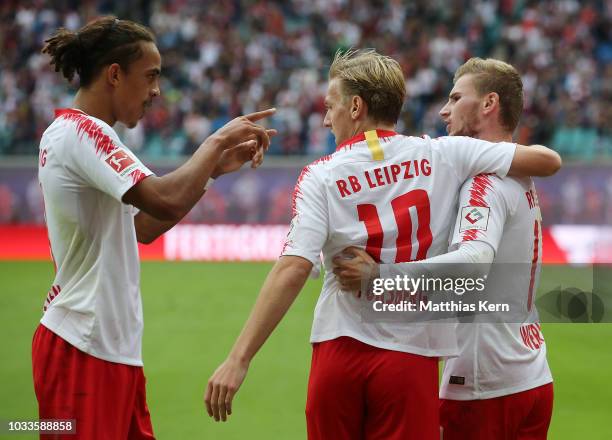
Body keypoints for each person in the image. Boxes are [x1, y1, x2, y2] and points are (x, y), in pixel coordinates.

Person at [205, 49, 560, 439]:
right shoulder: (444, 154)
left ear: (355, 106)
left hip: (339, 348)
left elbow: (294, 265)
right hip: (411, 356)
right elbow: (546, 161)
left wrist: (239, 358)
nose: (325, 119)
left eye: (330, 106)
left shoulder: (319, 175)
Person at [33, 16, 275, 440]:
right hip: (82, 349)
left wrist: (212, 171)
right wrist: (215, 143)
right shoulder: (84, 133)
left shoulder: (84, 134)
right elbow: (163, 197)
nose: (156, 91)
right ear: (114, 75)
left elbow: (143, 227)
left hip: (109, 348)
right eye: (150, 76)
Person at [334, 57, 554, 439]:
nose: (443, 110)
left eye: (455, 98)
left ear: (488, 104)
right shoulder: (519, 176)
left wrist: (381, 278)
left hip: (483, 382)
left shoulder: (484, 183)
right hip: (531, 372)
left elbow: (474, 262)